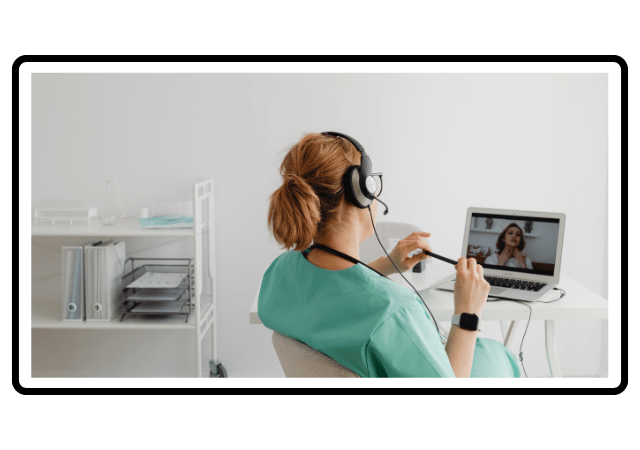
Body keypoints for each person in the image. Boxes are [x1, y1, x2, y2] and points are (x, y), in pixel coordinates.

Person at [258, 132, 520, 377]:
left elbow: (332, 298)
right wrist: (468, 312)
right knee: (504, 358)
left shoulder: (280, 273)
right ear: (359, 192)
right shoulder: (394, 312)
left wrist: (384, 266)